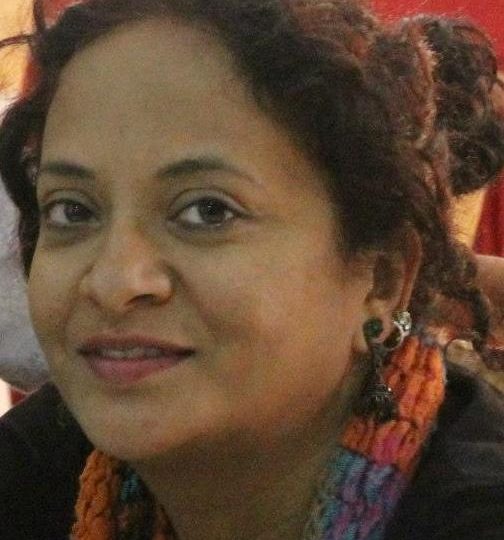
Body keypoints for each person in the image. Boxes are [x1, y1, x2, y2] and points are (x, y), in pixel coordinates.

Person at [0, 1, 503, 539]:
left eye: (208, 212)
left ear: (380, 281)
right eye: (72, 211)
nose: (113, 282)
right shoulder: (35, 477)